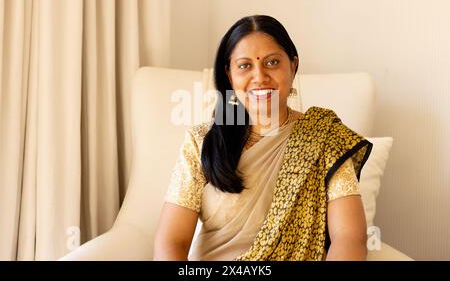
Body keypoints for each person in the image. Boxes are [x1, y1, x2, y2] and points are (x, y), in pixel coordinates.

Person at [153, 15, 373, 261]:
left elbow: (350, 238)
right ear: (229, 74)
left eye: (272, 62)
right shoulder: (202, 141)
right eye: (245, 65)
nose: (259, 77)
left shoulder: (324, 136)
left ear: (293, 65)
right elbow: (171, 243)